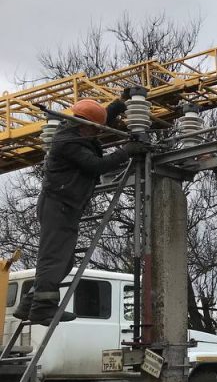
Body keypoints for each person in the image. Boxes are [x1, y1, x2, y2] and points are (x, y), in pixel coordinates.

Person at [16, 99, 142, 325]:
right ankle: (42, 310)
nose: (97, 133)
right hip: (58, 205)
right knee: (54, 260)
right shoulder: (68, 142)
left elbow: (97, 122)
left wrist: (117, 106)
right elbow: (96, 165)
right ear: (84, 125)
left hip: (65, 205)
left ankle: (29, 304)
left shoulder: (79, 132)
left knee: (62, 262)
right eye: (95, 128)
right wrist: (127, 151)